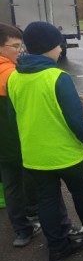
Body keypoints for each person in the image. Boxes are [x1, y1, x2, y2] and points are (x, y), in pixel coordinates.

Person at [7, 21, 83, 261]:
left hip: (34, 155)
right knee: (81, 191)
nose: (61, 50)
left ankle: (58, 247)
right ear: (50, 48)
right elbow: (76, 119)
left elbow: (14, 117)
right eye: (58, 45)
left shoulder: (14, 78)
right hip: (65, 153)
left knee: (47, 199)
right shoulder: (57, 77)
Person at [0, 23, 42, 246]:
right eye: (15, 46)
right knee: (34, 181)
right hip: (19, 140)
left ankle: (22, 231)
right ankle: (36, 216)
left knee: (11, 187)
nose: (20, 51)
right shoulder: (11, 75)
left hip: (2, 147)